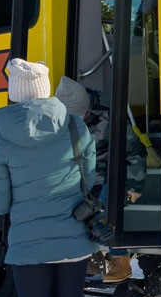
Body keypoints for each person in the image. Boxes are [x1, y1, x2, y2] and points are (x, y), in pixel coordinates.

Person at [0, 59, 103, 297]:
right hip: (73, 242)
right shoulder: (75, 126)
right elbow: (87, 181)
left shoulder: (1, 139)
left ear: (15, 92)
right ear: (44, 88)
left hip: (28, 248)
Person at [54, 76, 150, 282]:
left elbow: (135, 154)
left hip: (110, 176)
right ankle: (87, 259)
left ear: (85, 108)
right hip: (82, 179)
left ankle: (120, 260)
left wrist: (135, 185)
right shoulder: (61, 123)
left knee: (105, 206)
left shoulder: (109, 119)